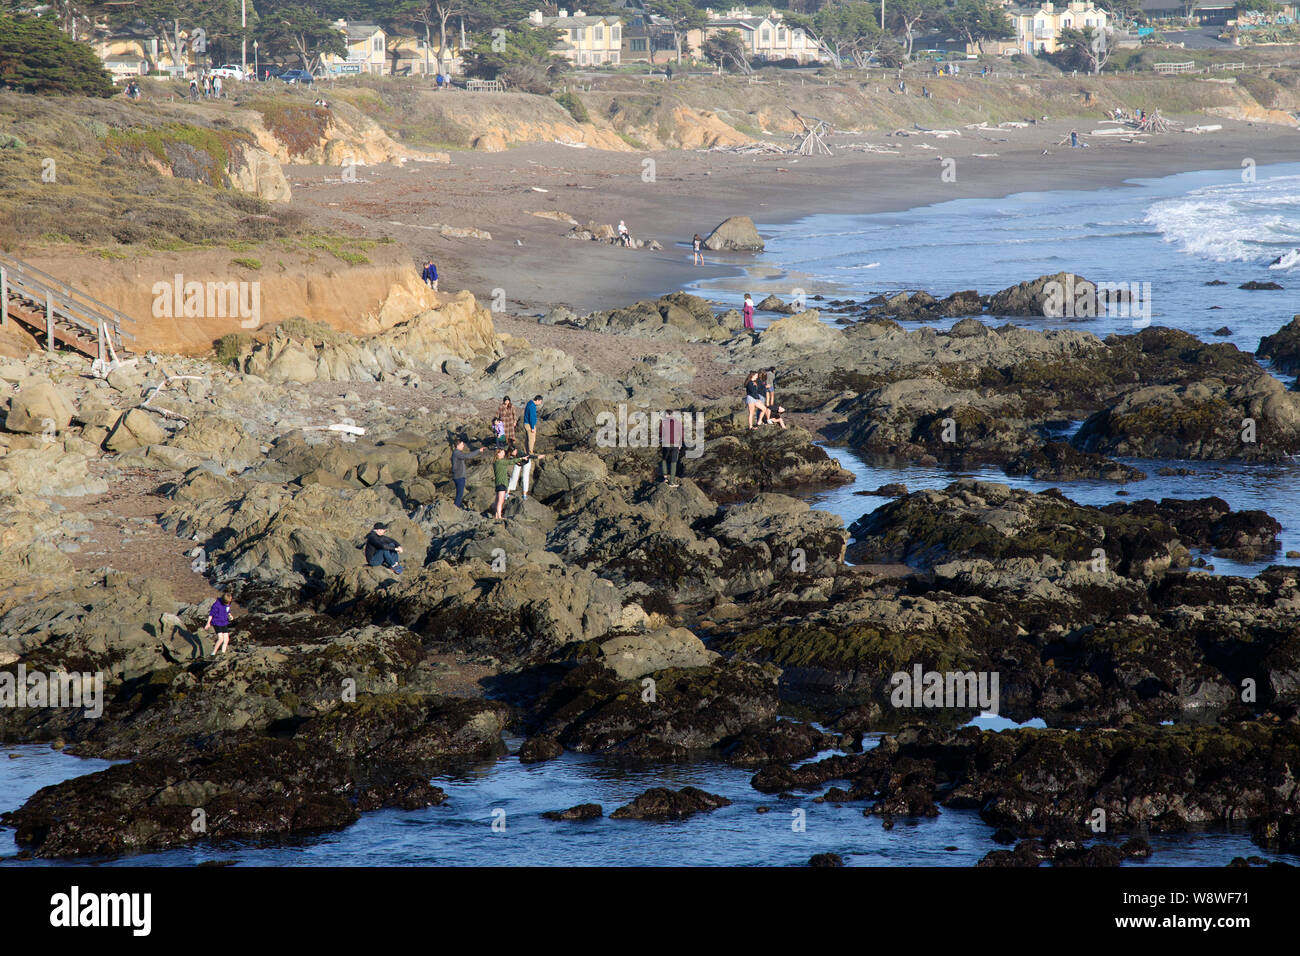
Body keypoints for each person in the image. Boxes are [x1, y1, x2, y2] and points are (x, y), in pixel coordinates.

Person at [494, 447, 543, 520]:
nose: (503, 453)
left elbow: (528, 456)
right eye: (501, 452)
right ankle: (499, 516)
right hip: (501, 483)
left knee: (499, 500)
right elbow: (510, 462)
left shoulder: (499, 461)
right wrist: (520, 459)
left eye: (503, 452)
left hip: (500, 482)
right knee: (500, 500)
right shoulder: (500, 461)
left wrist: (536, 457)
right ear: (497, 454)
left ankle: (496, 515)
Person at [450, 437, 486, 510]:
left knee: (459, 494)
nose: (463, 446)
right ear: (458, 445)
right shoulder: (457, 453)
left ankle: (456, 508)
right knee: (459, 495)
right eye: (462, 444)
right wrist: (478, 450)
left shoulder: (456, 453)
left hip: (459, 476)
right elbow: (468, 456)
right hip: (459, 477)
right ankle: (455, 509)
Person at [205, 591, 235, 656]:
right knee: (221, 639)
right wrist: (208, 623)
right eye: (227, 603)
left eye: (229, 602)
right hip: (217, 622)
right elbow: (211, 615)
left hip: (224, 622)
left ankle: (222, 653)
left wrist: (230, 615)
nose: (228, 604)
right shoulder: (216, 605)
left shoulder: (228, 603)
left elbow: (228, 610)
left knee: (226, 639)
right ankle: (213, 653)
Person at [659, 409, 684, 486]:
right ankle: (672, 481)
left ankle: (665, 478)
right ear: (672, 414)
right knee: (673, 462)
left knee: (664, 460)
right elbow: (682, 434)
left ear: (666, 414)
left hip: (666, 443)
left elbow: (660, 433)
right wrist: (680, 443)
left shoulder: (663, 422)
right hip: (676, 444)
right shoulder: (678, 422)